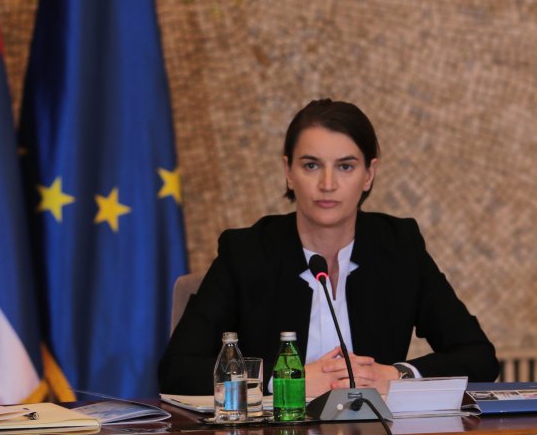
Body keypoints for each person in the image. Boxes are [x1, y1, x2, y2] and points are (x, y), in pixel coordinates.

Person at [159, 99, 498, 397]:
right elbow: (178, 370)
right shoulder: (247, 252)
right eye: (311, 165)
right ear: (288, 172)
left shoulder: (398, 246)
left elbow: (479, 356)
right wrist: (285, 380)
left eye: (345, 166)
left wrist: (397, 375)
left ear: (369, 174)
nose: (328, 184)